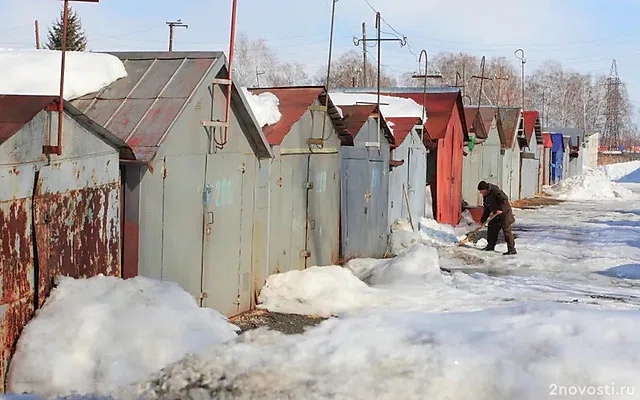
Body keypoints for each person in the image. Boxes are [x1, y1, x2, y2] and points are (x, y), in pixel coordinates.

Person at [477, 181, 517, 255]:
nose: (480, 193)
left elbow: (504, 199)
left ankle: (512, 249)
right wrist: (483, 220)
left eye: (481, 191)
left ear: (485, 189)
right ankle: (490, 246)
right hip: (496, 214)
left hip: (505, 213)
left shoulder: (495, 190)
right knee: (492, 228)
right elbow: (487, 209)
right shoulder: (486, 196)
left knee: (506, 231)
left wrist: (501, 209)